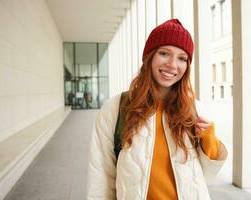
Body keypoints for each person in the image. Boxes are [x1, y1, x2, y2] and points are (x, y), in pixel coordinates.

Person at [87, 19, 227, 200]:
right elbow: (101, 174)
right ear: (150, 57)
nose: (172, 64)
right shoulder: (116, 108)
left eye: (182, 58)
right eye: (164, 53)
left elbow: (205, 176)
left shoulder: (195, 109)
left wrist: (209, 139)